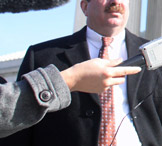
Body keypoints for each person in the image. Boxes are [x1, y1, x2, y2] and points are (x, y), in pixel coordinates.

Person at [0, 0, 162, 145]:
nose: (116, 1)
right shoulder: (41, 56)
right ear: (84, 6)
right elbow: (20, 129)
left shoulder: (158, 57)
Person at [0, 58, 141, 138]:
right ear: (84, 7)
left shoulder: (150, 54)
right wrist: (71, 79)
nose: (116, 3)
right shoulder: (40, 53)